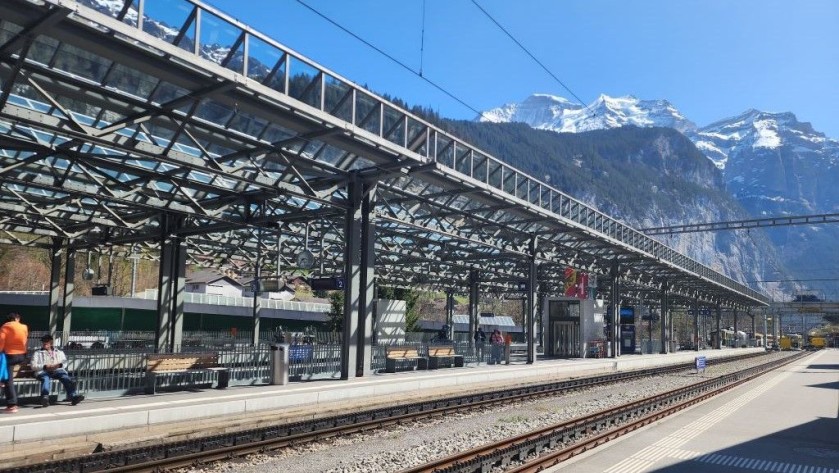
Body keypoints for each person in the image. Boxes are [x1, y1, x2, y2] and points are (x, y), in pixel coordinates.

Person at [31, 334, 84, 407]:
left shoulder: (59, 352)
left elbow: (65, 363)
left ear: (51, 343)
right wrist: (44, 366)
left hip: (57, 370)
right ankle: (45, 398)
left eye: (46, 342)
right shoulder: (37, 353)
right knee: (45, 378)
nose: (44, 343)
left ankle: (73, 397)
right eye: (43, 342)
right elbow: (33, 366)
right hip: (43, 371)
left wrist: (59, 365)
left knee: (65, 378)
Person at [0, 312, 29, 413]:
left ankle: (12, 405)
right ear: (16, 318)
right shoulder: (24, 327)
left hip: (10, 355)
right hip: (21, 355)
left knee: (8, 380)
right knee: (7, 378)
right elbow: (25, 341)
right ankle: (2, 382)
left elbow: (1, 341)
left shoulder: (5, 327)